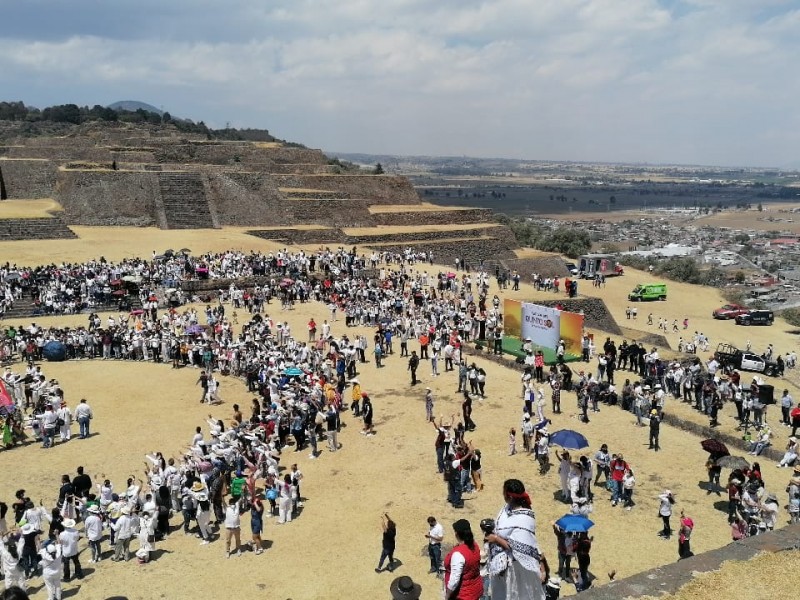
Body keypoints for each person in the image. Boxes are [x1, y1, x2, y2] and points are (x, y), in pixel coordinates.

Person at [485, 479, 546, 600]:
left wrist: (496, 539)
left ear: (509, 496)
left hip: (516, 568)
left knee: (516, 594)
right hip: (501, 566)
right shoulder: (506, 508)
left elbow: (520, 547)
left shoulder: (524, 518)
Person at [444, 519, 483, 600]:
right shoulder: (474, 545)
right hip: (475, 589)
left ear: (457, 534)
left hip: (462, 595)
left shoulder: (458, 554)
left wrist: (447, 596)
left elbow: (454, 580)